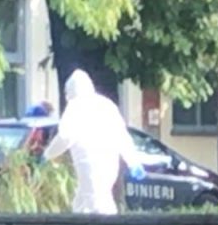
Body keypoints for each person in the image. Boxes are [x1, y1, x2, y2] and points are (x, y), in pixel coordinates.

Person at [42, 70, 145, 214]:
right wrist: (133, 162)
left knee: (98, 203)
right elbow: (122, 136)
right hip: (109, 161)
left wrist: (48, 154)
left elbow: (65, 137)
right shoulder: (106, 105)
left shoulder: (75, 107)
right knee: (84, 200)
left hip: (88, 163)